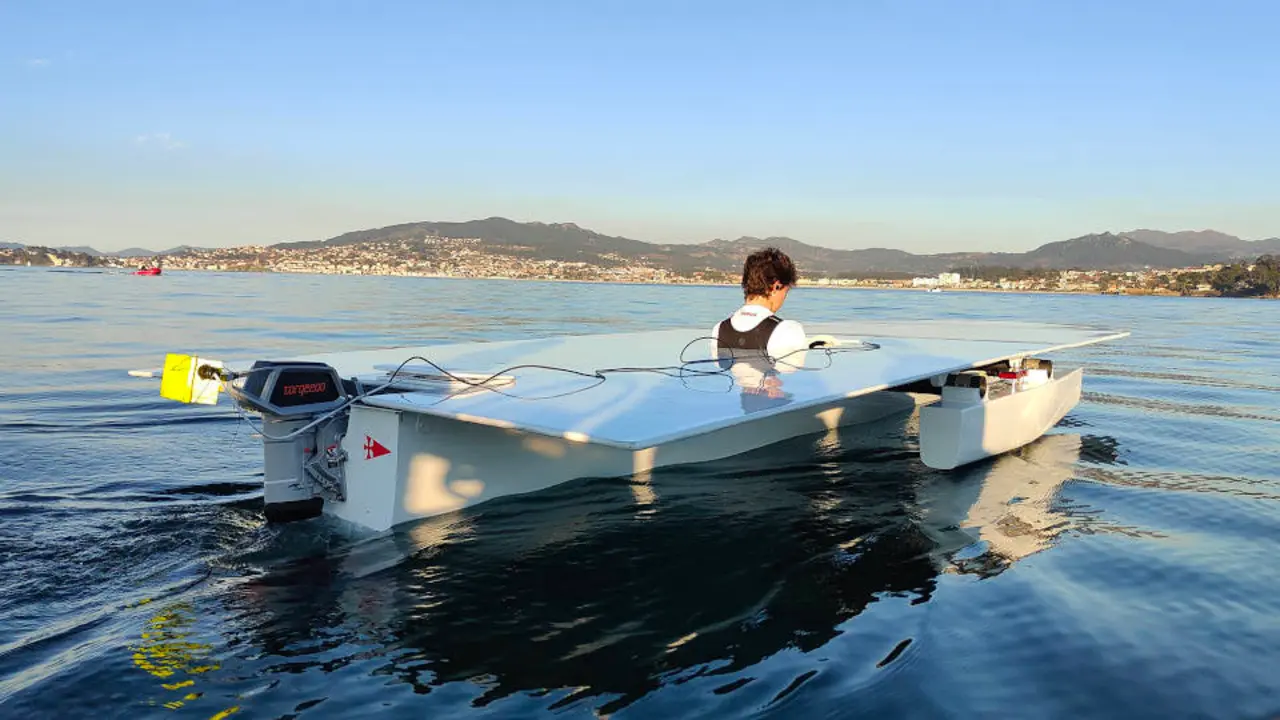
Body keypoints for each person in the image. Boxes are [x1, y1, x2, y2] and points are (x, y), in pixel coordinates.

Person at [711, 247, 811, 361]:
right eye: (786, 292)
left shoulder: (718, 329)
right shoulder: (789, 330)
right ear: (776, 287)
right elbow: (792, 372)